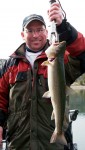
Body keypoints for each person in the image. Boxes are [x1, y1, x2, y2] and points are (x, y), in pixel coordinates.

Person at [0, 2, 85, 150]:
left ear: (47, 32)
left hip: (53, 146)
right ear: (22, 34)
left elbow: (82, 54)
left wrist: (64, 27)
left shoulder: (62, 59)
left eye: (40, 30)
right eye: (30, 30)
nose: (35, 35)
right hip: (18, 145)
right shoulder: (9, 66)